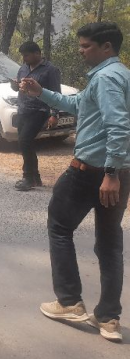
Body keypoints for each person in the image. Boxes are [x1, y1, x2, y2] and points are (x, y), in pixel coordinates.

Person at [20, 22, 130, 342]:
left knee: (59, 226)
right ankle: (108, 318)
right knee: (109, 242)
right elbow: (78, 104)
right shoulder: (118, 74)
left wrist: (110, 173)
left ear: (106, 47)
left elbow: (119, 126)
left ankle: (69, 302)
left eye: (85, 46)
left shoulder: (106, 78)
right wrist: (41, 92)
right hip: (116, 173)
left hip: (93, 172)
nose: (80, 51)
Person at [11, 41, 62, 191]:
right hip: (23, 110)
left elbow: (56, 93)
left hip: (39, 111)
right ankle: (35, 177)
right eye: (23, 55)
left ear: (37, 53)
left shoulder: (50, 70)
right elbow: (19, 87)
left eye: (26, 55)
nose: (24, 58)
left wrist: (54, 114)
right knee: (25, 144)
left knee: (25, 141)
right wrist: (15, 86)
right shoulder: (23, 68)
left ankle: (28, 178)